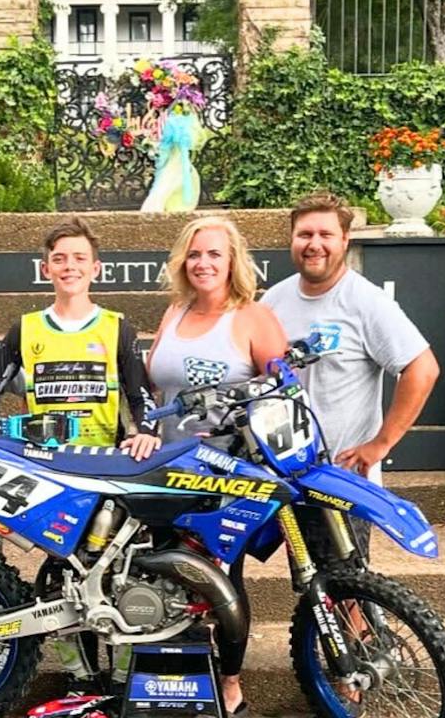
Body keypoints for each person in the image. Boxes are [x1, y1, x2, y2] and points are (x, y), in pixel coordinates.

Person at [0, 216, 161, 690]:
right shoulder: (27, 328)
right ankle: (80, 678)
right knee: (60, 578)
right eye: (60, 258)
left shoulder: (117, 328)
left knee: (119, 575)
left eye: (79, 258)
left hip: (104, 471)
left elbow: (140, 393)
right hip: (50, 470)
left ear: (96, 269)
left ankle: (124, 677)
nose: (69, 266)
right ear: (46, 268)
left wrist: (144, 430)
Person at [146, 215, 287, 718]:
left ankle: (230, 682)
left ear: (233, 262)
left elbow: (282, 392)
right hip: (165, 473)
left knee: (224, 581)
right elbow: (154, 388)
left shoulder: (252, 317)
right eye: (195, 253)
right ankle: (173, 684)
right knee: (168, 577)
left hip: (228, 475)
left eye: (214, 254)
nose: (203, 263)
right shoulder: (174, 313)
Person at [260, 190, 439, 560]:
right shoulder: (273, 301)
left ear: (345, 240)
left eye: (325, 235)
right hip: (289, 478)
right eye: (305, 235)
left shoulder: (366, 301)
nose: (314, 245)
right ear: (291, 240)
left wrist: (382, 443)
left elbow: (422, 369)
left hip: (342, 479)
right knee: (314, 593)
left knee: (348, 591)